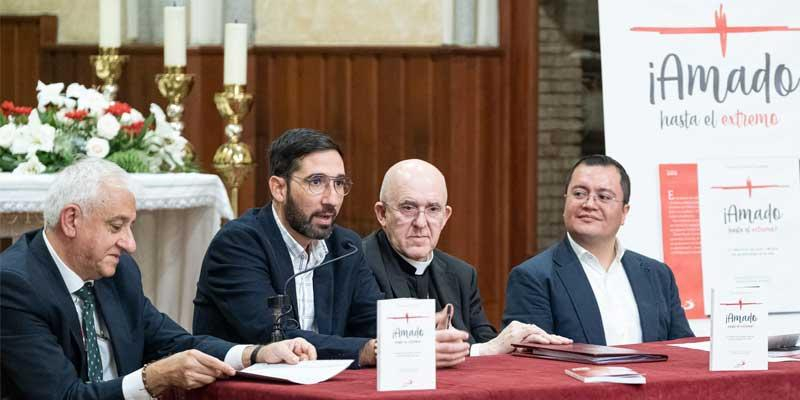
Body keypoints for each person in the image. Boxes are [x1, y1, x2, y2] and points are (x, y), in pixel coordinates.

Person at [0, 158, 316, 400]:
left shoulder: (117, 272)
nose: (130, 243)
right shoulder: (15, 286)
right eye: (116, 226)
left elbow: (176, 343)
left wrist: (255, 353)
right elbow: (64, 396)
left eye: (130, 226)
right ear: (71, 221)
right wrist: (151, 379)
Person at [364, 159, 571, 357]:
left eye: (433, 209)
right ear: (382, 214)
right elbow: (381, 345)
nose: (421, 222)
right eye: (408, 208)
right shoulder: (360, 266)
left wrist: (518, 343)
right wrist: (483, 350)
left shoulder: (461, 274)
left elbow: (487, 342)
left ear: (445, 217)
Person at [503, 154, 694, 345]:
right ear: (565, 202)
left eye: (603, 197)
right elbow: (532, 363)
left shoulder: (657, 275)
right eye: (579, 194)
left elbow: (684, 352)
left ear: (624, 213)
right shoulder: (533, 277)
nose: (589, 204)